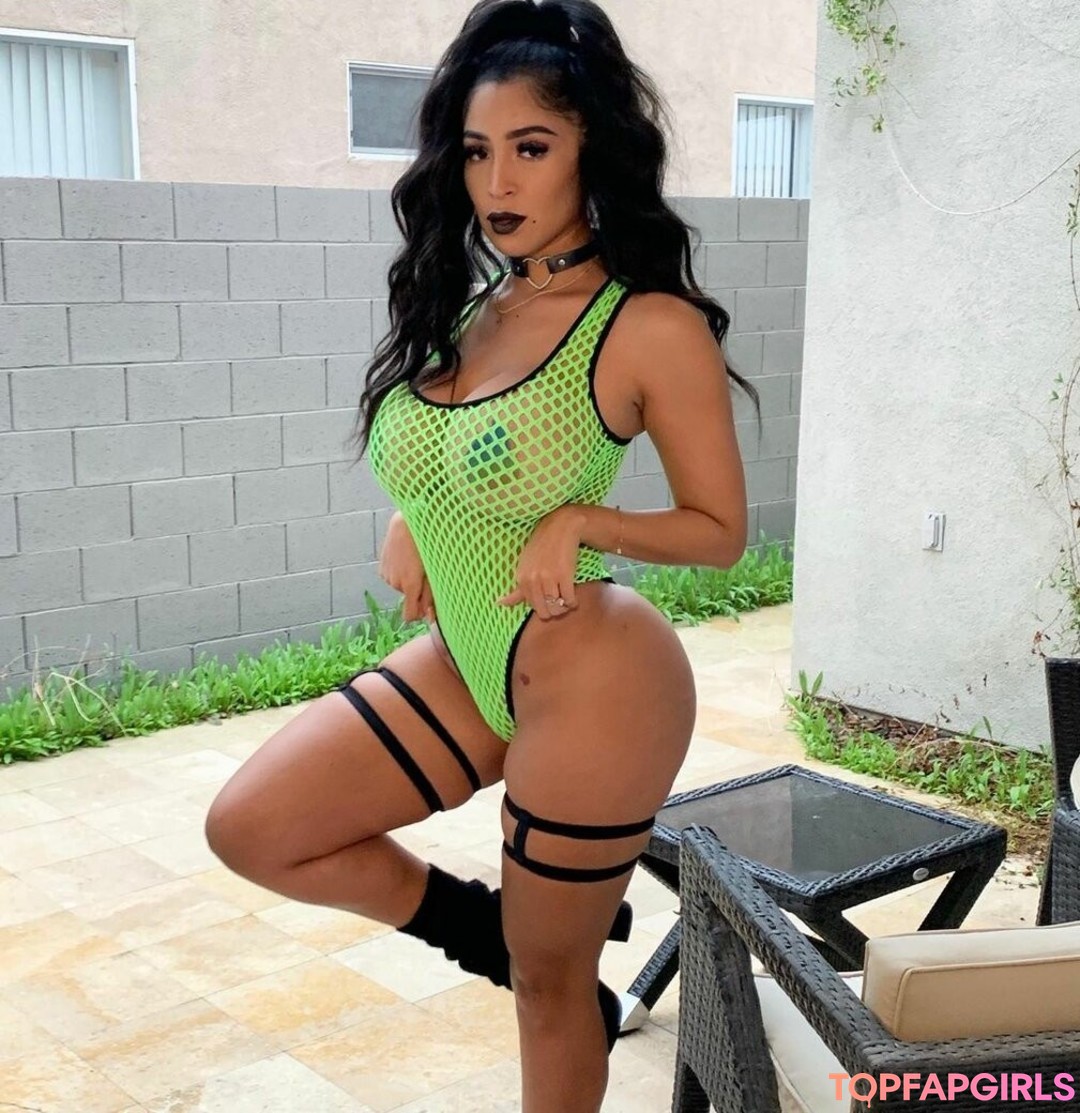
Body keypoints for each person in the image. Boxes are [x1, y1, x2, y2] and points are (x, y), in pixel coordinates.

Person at [205, 1, 757, 1109]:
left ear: (592, 149)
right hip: (471, 653)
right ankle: (486, 931)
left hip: (597, 677)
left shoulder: (646, 325)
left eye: (532, 148)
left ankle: (550, 965)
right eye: (475, 151)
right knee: (256, 826)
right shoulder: (477, 306)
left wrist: (587, 522)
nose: (497, 181)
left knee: (548, 995)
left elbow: (721, 530)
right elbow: (461, 454)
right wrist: (416, 511)